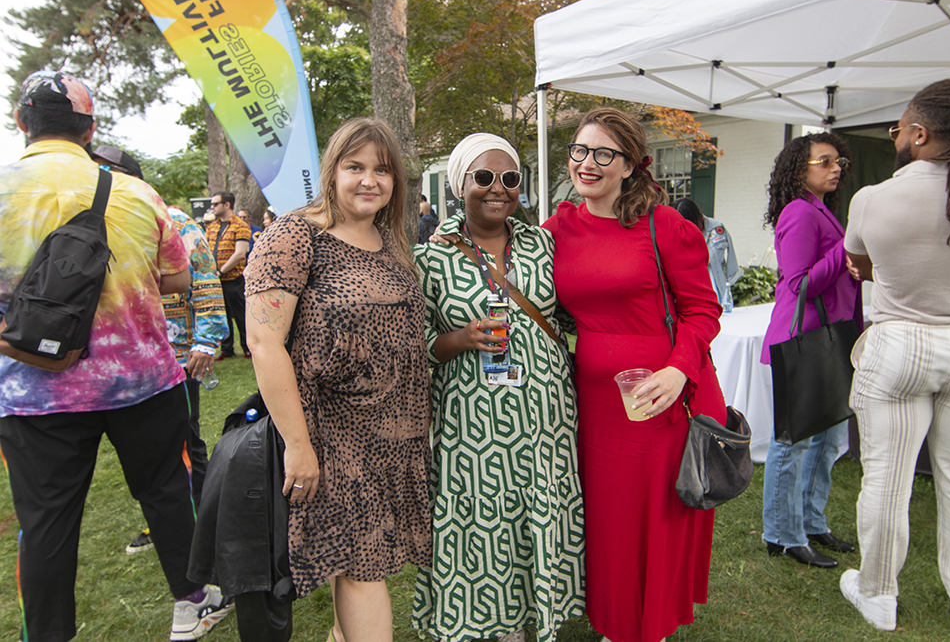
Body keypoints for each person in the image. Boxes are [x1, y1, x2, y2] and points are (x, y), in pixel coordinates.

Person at [0, 70, 232, 641]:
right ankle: (193, 601)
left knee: (45, 522)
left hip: (34, 391)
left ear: (21, 121)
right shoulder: (134, 193)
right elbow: (178, 277)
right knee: (167, 492)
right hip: (141, 381)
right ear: (90, 129)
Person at [244, 118, 433, 642]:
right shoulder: (295, 233)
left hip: (395, 437)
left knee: (358, 564)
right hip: (333, 438)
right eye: (355, 167)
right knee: (363, 568)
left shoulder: (389, 239)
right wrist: (298, 445)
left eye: (382, 170)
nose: (369, 180)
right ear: (332, 171)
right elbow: (263, 342)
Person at [542, 107, 727, 641]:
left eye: (604, 154)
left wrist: (677, 371)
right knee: (610, 520)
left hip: (659, 396)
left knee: (654, 518)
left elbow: (703, 310)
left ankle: (650, 625)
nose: (587, 163)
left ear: (630, 165)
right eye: (580, 150)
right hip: (596, 403)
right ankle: (615, 621)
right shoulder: (557, 229)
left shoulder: (662, 226)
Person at [842, 79, 950, 635]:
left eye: (899, 129)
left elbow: (861, 264)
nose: (896, 138)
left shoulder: (872, 198)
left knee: (887, 478)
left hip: (900, 342)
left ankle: (878, 594)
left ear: (921, 133)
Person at [411, 134, 585, 642]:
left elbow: (575, 311)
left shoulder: (543, 245)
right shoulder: (430, 258)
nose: (498, 189)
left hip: (547, 419)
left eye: (509, 178)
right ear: (458, 185)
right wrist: (461, 338)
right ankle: (491, 623)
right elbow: (418, 347)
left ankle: (538, 617)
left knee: (541, 513)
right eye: (484, 177)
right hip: (473, 428)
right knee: (485, 521)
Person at [90, 146, 229, 555]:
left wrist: (206, 339)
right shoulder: (97, 220)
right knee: (153, 448)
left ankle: (204, 521)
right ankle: (172, 521)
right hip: (128, 358)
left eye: (105, 171)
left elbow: (204, 277)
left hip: (177, 354)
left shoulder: (173, 219)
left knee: (184, 439)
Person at [759, 133, 862, 570]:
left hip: (829, 337)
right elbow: (801, 283)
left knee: (829, 437)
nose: (836, 168)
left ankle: (811, 522)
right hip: (802, 339)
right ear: (800, 170)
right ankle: (782, 535)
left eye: (839, 162)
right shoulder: (799, 212)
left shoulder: (821, 209)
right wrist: (846, 248)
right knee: (794, 441)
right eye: (825, 161)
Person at [670, 197, 742, 311]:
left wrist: (731, 278)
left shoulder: (716, 228)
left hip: (717, 287)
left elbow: (730, 253)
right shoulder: (676, 232)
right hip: (692, 289)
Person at [205, 191, 251, 359]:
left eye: (215, 204)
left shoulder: (240, 226)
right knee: (222, 315)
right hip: (216, 279)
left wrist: (221, 271)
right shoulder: (212, 227)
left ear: (226, 205)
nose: (212, 207)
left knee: (240, 315)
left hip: (234, 279)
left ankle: (248, 347)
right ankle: (227, 348)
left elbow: (240, 254)